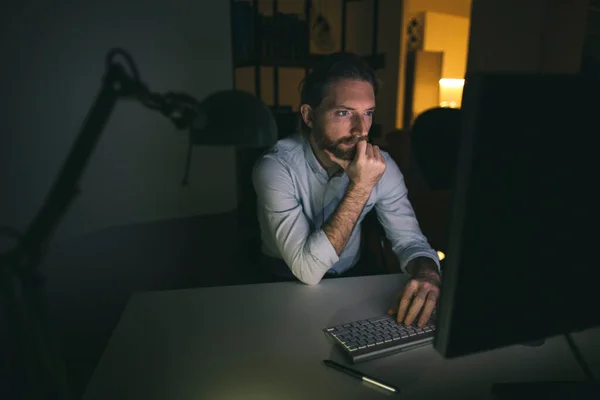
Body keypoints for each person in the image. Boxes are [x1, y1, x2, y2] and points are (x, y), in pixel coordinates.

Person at [252, 53, 440, 327]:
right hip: (281, 283)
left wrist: (428, 274)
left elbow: (410, 241)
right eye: (343, 113)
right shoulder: (275, 167)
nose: (360, 130)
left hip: (352, 278)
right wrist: (360, 186)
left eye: (368, 114)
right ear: (309, 115)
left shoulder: (383, 166)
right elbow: (307, 270)